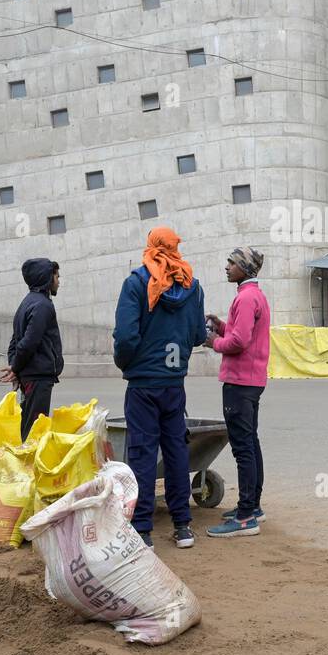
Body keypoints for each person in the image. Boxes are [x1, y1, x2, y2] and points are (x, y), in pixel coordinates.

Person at [112, 227, 207, 549]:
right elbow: (197, 336)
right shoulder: (192, 286)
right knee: (177, 450)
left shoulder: (137, 282)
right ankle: (182, 526)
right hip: (173, 383)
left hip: (143, 384)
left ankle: (142, 529)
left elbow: (125, 337)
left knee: (142, 452)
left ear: (151, 246)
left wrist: (128, 364)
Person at [203, 247, 270, 539]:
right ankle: (253, 507)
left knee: (242, 448)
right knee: (251, 443)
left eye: (232, 262)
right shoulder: (254, 296)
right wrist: (222, 326)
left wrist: (211, 341)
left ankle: (244, 518)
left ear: (244, 267)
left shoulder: (244, 297)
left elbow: (239, 342)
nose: (227, 267)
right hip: (252, 380)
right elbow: (242, 332)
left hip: (240, 381)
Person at [0, 258, 64, 441]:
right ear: (47, 278)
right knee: (34, 432)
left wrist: (15, 366)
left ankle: (24, 465)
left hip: (31, 375)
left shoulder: (26, 303)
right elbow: (28, 342)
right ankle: (27, 467)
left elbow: (15, 341)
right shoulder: (42, 305)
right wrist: (15, 368)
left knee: (28, 426)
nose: (59, 281)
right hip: (38, 377)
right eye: (56, 276)